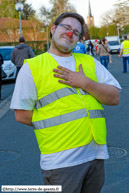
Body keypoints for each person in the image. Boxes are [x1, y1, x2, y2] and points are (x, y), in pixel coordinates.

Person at [10, 12, 121, 193]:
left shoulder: (88, 62)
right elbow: (21, 114)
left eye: (76, 32)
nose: (71, 34)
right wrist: (56, 126)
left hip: (96, 157)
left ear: (78, 39)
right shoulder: (32, 67)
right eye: (67, 28)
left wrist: (85, 83)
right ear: (53, 29)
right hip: (61, 163)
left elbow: (114, 97)